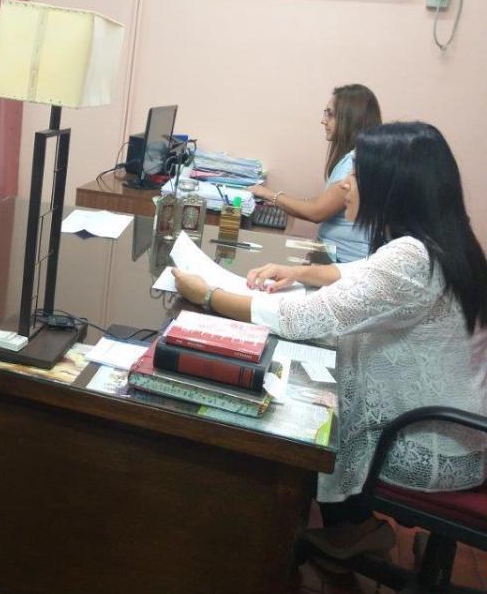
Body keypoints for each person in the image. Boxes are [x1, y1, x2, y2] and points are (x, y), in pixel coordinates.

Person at [174, 122, 487, 559]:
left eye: (357, 174)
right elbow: (360, 274)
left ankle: (278, 541)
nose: (345, 185)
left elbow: (304, 318)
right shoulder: (444, 243)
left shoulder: (412, 257)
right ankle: (352, 527)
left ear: (393, 186)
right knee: (316, 381)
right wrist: (298, 272)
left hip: (426, 446)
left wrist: (208, 294)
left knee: (299, 409)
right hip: (457, 435)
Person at [249, 84, 381, 262]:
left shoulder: (355, 161)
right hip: (333, 255)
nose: (323, 120)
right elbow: (322, 202)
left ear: (350, 119)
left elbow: (317, 212)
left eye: (330, 114)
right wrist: (282, 200)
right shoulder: (353, 157)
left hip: (344, 262)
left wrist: (268, 194)